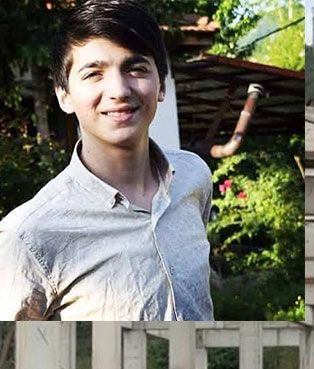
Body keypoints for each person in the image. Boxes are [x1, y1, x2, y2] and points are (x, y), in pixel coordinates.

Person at [0, 0, 214, 320]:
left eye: (136, 69)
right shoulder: (29, 237)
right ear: (64, 95)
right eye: (94, 74)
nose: (118, 90)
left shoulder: (192, 176)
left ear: (161, 85)